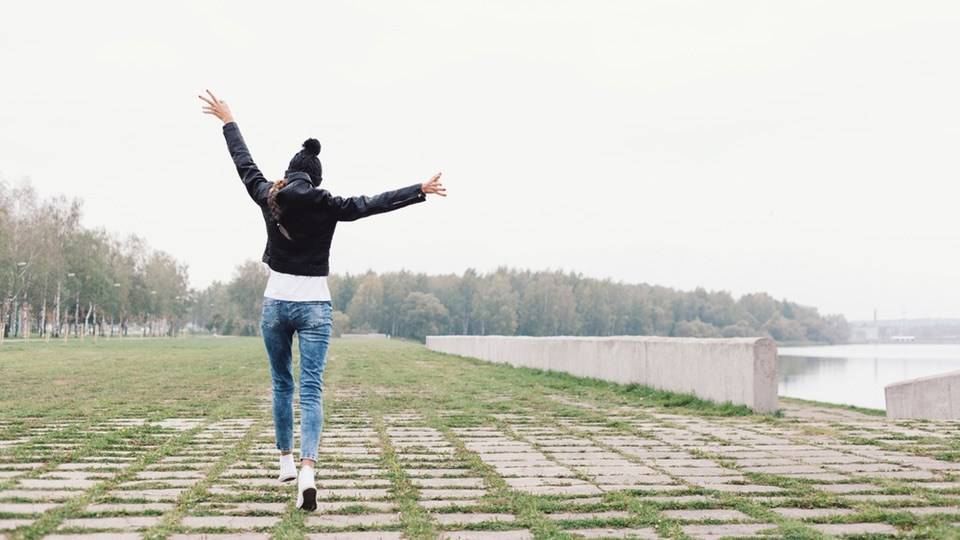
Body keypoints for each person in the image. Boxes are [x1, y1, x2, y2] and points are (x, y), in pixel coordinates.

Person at [198, 90, 446, 511]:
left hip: (275, 303)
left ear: (290, 172)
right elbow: (373, 204)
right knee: (311, 389)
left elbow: (245, 164)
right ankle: (308, 470)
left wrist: (229, 121)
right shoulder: (328, 204)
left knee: (282, 383)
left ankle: (284, 462)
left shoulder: (269, 195)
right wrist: (418, 190)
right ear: (315, 178)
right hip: (315, 306)